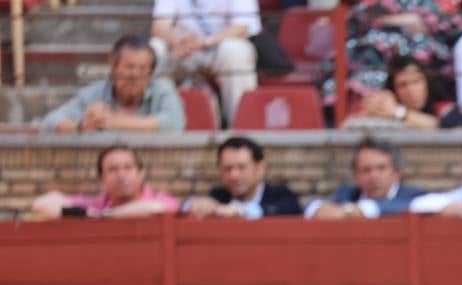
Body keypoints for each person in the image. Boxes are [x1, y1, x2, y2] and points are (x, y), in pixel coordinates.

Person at [320, 0, 462, 111]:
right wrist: (402, 21)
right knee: (369, 50)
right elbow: (356, 18)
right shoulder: (368, 7)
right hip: (371, 53)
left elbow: (450, 23)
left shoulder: (430, 5)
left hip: (426, 53)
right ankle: (371, 105)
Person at [40, 36, 186, 134]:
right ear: (114, 67)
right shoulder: (93, 93)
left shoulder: (163, 90)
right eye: (129, 67)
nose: (135, 75)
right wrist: (82, 126)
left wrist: (115, 121)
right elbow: (49, 123)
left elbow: (174, 124)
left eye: (143, 69)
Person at [149, 0, 259, 126]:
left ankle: (241, 131)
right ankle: (155, 123)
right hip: (181, 50)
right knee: (155, 47)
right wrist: (176, 42)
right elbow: (159, 26)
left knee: (235, 50)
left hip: (218, 47)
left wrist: (205, 42)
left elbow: (242, 28)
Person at [31, 146, 179, 220]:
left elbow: (157, 207)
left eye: (128, 168)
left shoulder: (160, 198)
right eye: (113, 170)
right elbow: (41, 203)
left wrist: (105, 216)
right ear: (102, 180)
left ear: (140, 174)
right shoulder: (96, 206)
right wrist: (83, 213)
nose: (121, 175)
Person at [304, 138, 427, 219]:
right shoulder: (348, 194)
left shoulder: (414, 196)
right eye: (366, 170)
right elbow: (311, 206)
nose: (373, 176)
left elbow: (409, 206)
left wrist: (352, 211)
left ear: (396, 173)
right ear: (356, 176)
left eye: (381, 168)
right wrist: (319, 210)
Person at [181, 136, 302, 218]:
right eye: (227, 169)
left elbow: (289, 210)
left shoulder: (282, 196)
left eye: (241, 167)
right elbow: (187, 207)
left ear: (260, 168)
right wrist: (196, 205)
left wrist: (241, 211)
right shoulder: (218, 197)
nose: (234, 175)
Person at [346, 56, 453, 129]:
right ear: (394, 91)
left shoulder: (442, 107)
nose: (411, 90)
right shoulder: (386, 108)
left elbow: (440, 126)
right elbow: (347, 126)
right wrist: (369, 113)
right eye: (403, 85)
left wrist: (397, 112)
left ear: (427, 82)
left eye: (416, 81)